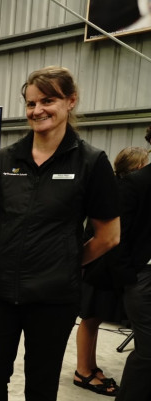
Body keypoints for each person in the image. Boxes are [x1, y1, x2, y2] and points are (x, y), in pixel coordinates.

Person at [0, 66, 120, 401]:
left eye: (48, 100)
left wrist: (68, 262)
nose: (37, 110)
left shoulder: (91, 162)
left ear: (71, 101)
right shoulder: (6, 158)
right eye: (31, 103)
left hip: (53, 298)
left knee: (41, 383)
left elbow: (110, 235)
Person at [74, 146, 147, 396]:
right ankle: (83, 370)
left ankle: (90, 367)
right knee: (91, 317)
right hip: (101, 266)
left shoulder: (120, 187)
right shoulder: (121, 190)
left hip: (106, 266)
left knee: (95, 317)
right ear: (137, 167)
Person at [116, 126, 151, 400]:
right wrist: (131, 277)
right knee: (148, 352)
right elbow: (120, 236)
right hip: (144, 278)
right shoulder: (137, 182)